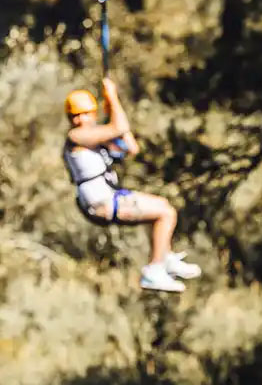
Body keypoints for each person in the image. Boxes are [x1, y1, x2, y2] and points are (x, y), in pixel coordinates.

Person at [63, 78, 201, 292]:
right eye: (75, 116)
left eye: (85, 113)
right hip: (101, 202)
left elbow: (130, 147)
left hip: (108, 196)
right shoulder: (77, 137)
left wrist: (113, 111)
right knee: (166, 214)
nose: (80, 119)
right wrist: (113, 98)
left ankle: (165, 258)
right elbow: (119, 127)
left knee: (163, 205)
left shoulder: (97, 138)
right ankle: (155, 270)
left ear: (94, 113)